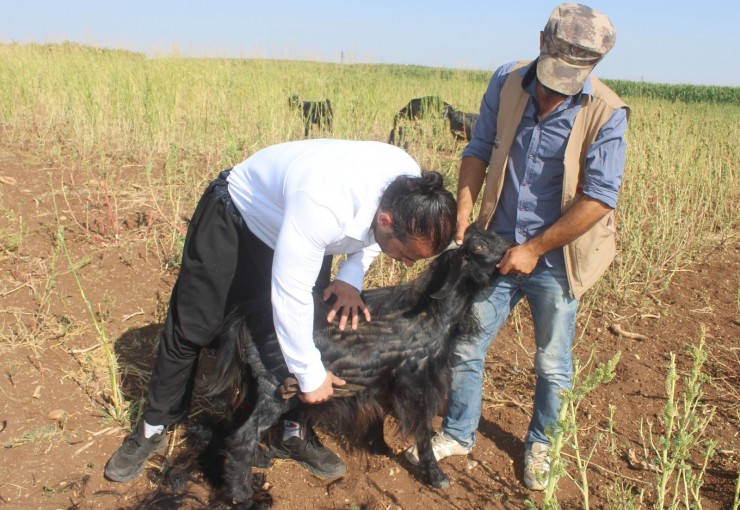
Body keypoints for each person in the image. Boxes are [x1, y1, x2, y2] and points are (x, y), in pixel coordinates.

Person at [105, 138, 457, 483]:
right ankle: (155, 426)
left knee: (316, 330)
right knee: (193, 325)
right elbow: (290, 294)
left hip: (303, 233)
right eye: (408, 254)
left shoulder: (412, 188)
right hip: (238, 216)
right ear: (385, 219)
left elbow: (369, 242)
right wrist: (309, 375)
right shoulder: (325, 203)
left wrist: (351, 275)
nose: (409, 265)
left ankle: (292, 432)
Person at [404, 3, 629, 491]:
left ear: (592, 67)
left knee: (552, 360)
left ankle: (543, 444)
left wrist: (536, 248)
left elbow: (598, 198)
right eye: (550, 75)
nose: (552, 90)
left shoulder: (607, 112)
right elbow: (479, 148)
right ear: (540, 42)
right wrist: (465, 206)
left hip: (558, 256)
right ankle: (460, 432)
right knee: (466, 342)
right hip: (496, 247)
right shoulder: (507, 80)